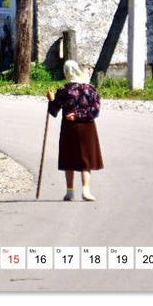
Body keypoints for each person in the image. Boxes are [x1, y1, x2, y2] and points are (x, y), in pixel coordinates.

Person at [46, 60, 104, 201]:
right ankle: (86, 190)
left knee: (69, 158)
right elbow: (95, 111)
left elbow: (54, 111)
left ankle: (70, 192)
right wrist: (80, 115)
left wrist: (51, 99)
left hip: (69, 127)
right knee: (86, 160)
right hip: (87, 127)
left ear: (67, 73)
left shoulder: (64, 90)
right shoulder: (90, 89)